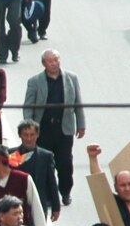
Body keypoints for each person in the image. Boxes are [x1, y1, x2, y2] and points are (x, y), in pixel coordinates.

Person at [23, 49, 84, 206]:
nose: (54, 63)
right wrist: (28, 127)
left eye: (56, 60)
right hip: (43, 130)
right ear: (44, 63)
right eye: (50, 61)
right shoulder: (35, 81)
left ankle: (65, 191)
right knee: (45, 163)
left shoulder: (71, 78)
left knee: (65, 163)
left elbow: (78, 103)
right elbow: (28, 106)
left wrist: (81, 124)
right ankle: (49, 195)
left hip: (64, 129)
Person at [12, 120, 62, 222]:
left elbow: (52, 181)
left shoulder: (45, 156)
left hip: (39, 203)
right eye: (25, 135)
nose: (29, 138)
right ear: (20, 135)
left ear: (38, 135)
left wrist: (56, 207)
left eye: (32, 135)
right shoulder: (11, 154)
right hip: (15, 204)